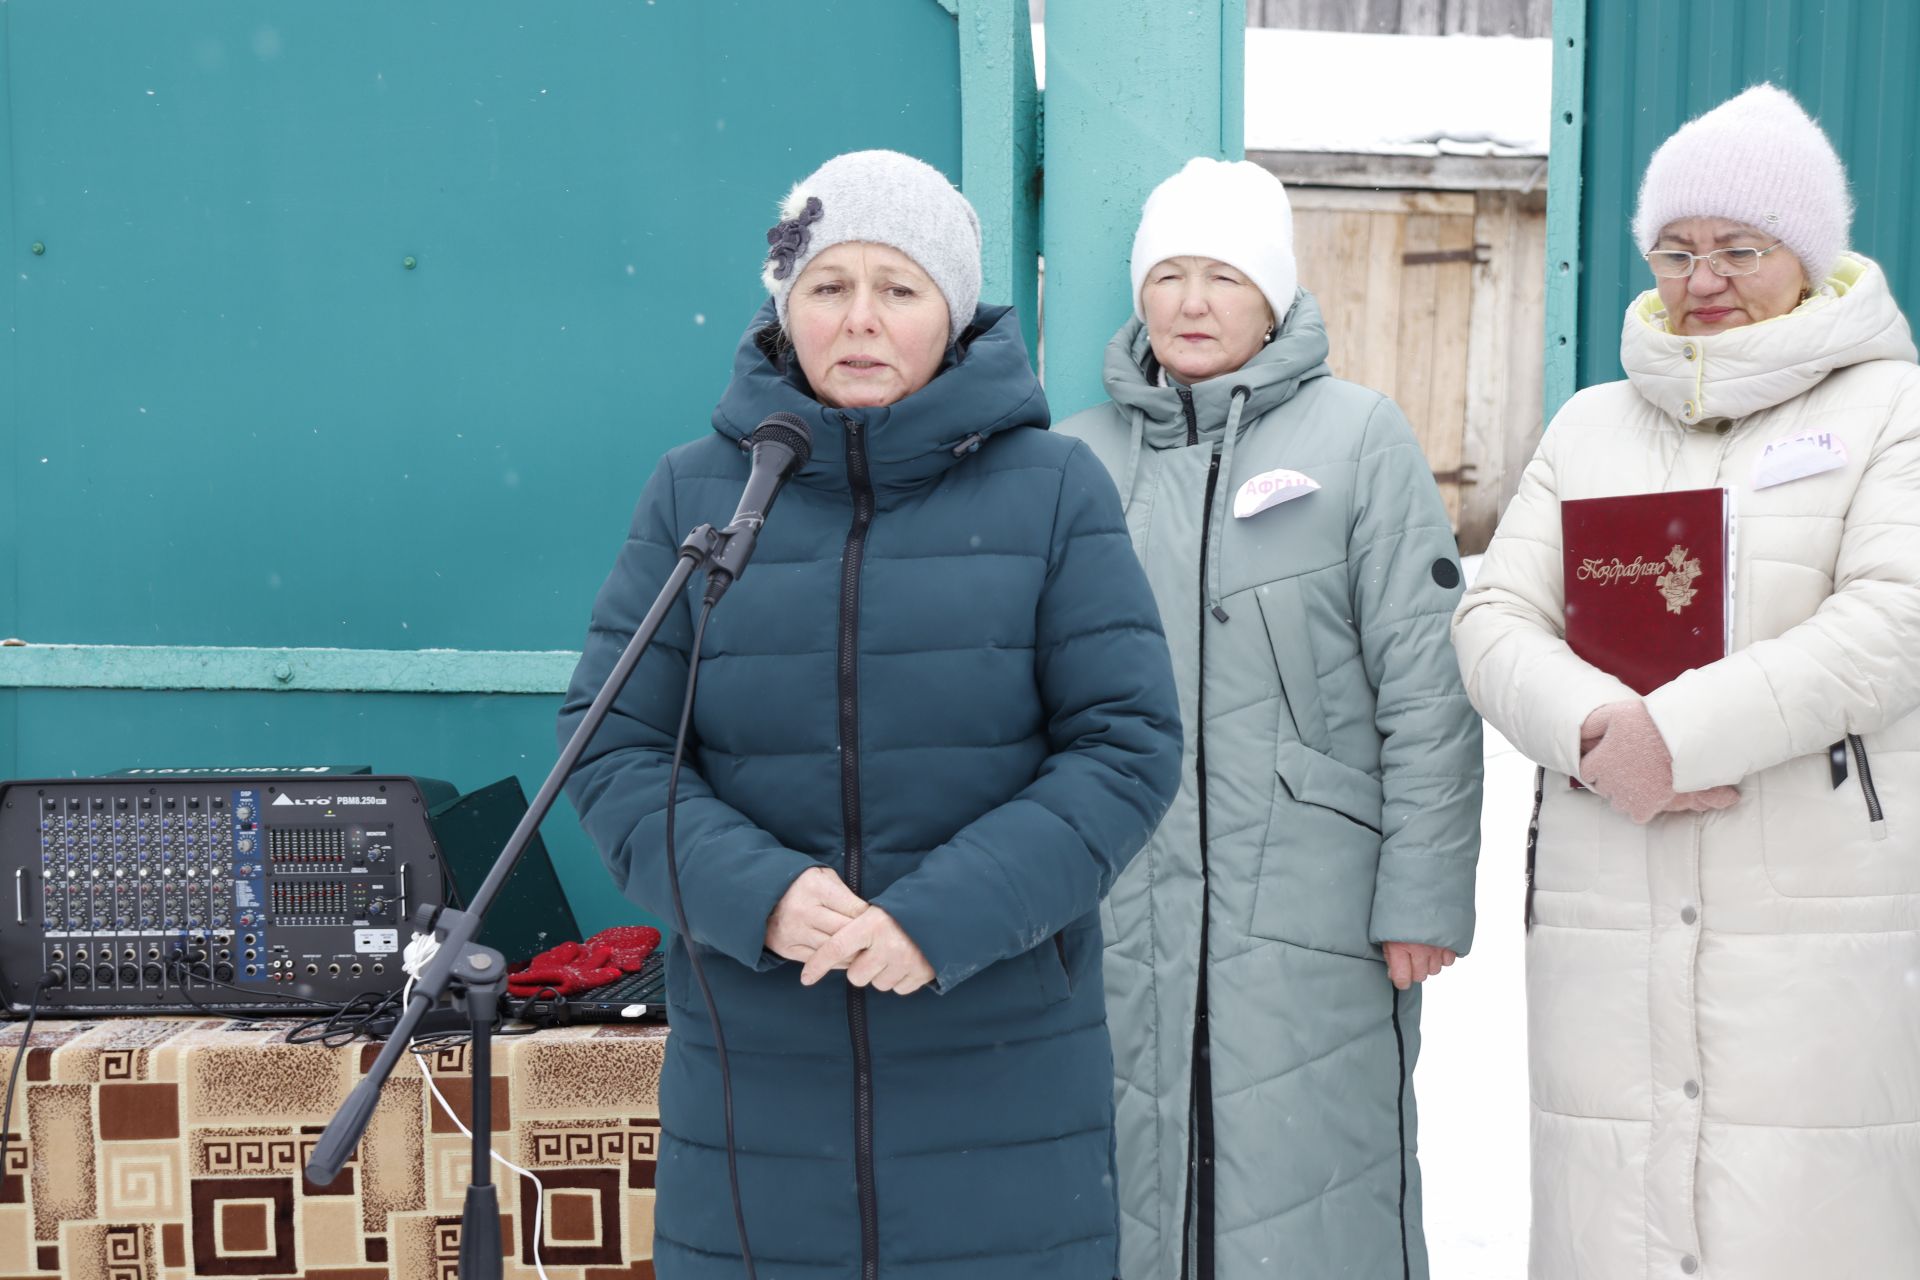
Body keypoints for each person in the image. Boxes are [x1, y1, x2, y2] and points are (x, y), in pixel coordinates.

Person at [558, 150, 1182, 1280]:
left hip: (997, 1067)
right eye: (827, 285)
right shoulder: (697, 493)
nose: (860, 317)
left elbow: (1124, 746)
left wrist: (938, 919)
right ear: (783, 306)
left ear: (952, 314)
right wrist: (765, 892)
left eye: (897, 288)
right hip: (757, 1078)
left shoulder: (1052, 490)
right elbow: (611, 746)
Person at [1454, 84, 1920, 1278]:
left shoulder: (1890, 411)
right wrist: (1601, 721)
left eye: (1739, 249)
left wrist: (1685, 734)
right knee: (1617, 1205)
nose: (1702, 276)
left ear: (1808, 256)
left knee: (1799, 1213)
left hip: (1813, 901)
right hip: (1611, 880)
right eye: (1676, 248)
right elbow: (1497, 616)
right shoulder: (1592, 424)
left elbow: (1894, 616)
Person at [1056, 157, 1483, 1280]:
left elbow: (1427, 687)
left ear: (1276, 297)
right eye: (1171, 275)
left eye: (1226, 277)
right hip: (1122, 901)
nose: (1193, 303)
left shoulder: (1358, 440)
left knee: (1309, 1191)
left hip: (1310, 911)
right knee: (1129, 1171)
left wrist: (1424, 890)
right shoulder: (1075, 457)